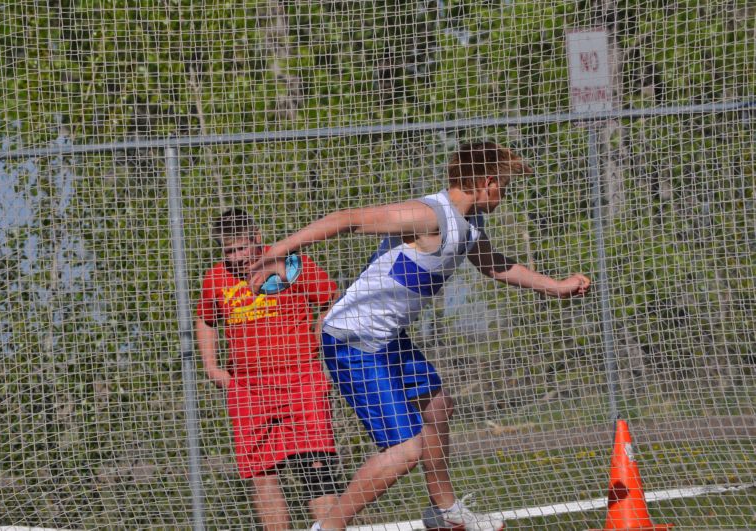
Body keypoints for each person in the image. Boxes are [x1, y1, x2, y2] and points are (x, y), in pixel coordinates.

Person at [249, 142, 592, 531]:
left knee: (438, 404)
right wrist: (275, 252)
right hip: (353, 340)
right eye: (506, 185)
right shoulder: (427, 215)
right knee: (408, 448)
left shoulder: (469, 226)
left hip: (386, 339)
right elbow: (348, 219)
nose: (506, 194)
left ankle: (444, 511)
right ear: (487, 182)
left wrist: (555, 286)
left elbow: (494, 265)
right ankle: (328, 527)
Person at [196, 207, 343, 530]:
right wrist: (211, 367)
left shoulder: (289, 264)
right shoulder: (216, 279)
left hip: (301, 380)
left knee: (316, 466)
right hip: (248, 390)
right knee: (261, 473)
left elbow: (332, 297)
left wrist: (322, 330)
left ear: (257, 239)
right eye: (229, 251)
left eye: (241, 247)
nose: (236, 257)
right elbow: (206, 320)